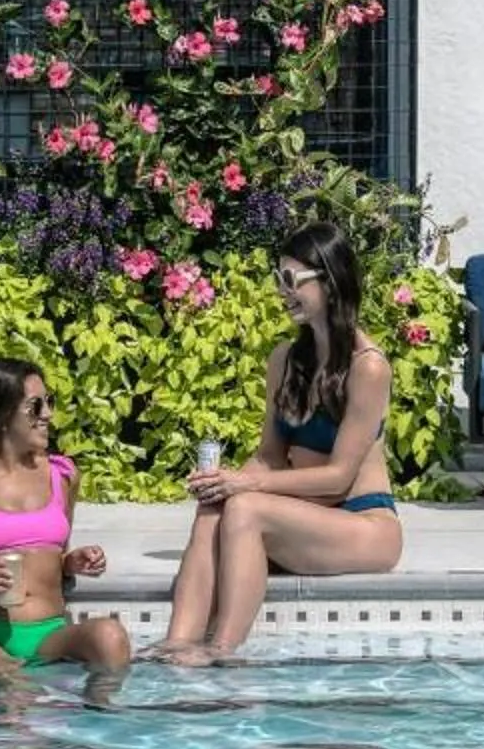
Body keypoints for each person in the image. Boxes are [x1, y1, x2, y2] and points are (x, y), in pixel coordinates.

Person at [156, 220, 404, 664]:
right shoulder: (285, 360)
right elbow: (270, 456)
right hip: (309, 519)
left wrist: (245, 487)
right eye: (278, 279)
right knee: (214, 508)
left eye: (292, 280)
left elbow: (338, 478)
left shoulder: (368, 367)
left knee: (246, 507)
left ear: (330, 281)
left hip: (363, 524)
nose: (282, 291)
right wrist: (222, 481)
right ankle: (175, 645)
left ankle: (223, 651)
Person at [0, 358, 133, 702]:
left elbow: (51, 559)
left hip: (50, 632)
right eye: (35, 406)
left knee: (111, 637)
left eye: (49, 403)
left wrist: (72, 562)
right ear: (0, 415)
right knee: (17, 691)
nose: (48, 414)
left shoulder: (62, 476)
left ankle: (98, 730)